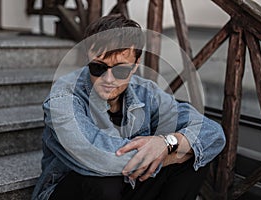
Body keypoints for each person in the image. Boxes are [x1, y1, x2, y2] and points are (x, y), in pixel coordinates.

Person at [32, 14, 226, 200]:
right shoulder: (64, 96)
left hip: (128, 184)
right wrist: (169, 156)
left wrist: (167, 143)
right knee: (104, 181)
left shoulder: (146, 91)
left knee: (195, 156)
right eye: (98, 67)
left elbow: (213, 133)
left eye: (120, 69)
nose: (108, 79)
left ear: (135, 64)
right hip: (73, 189)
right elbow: (101, 158)